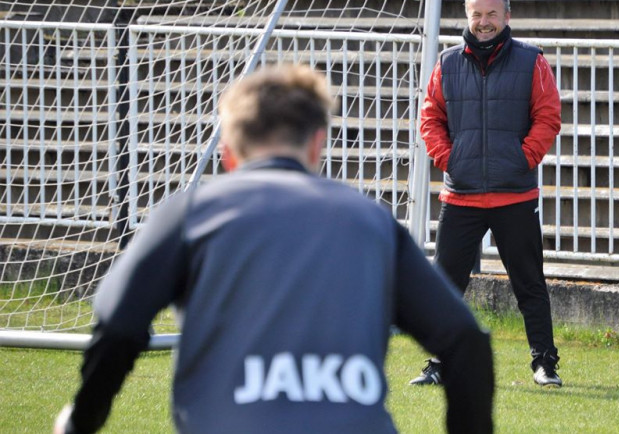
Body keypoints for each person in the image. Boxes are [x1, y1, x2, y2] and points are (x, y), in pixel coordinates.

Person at [53, 65, 494, 433]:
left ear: (227, 153)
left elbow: (117, 326)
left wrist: (81, 421)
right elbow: (465, 341)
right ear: (318, 145)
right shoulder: (369, 219)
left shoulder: (191, 212)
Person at [409, 0, 563, 388]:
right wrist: (451, 160)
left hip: (515, 196)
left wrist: (521, 159)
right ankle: (439, 364)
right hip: (460, 197)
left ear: (507, 17)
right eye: (477, 14)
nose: (484, 22)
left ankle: (545, 364)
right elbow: (430, 118)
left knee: (530, 285)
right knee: (444, 287)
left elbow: (548, 116)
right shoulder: (446, 62)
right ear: (467, 16)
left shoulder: (532, 61)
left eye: (492, 14)